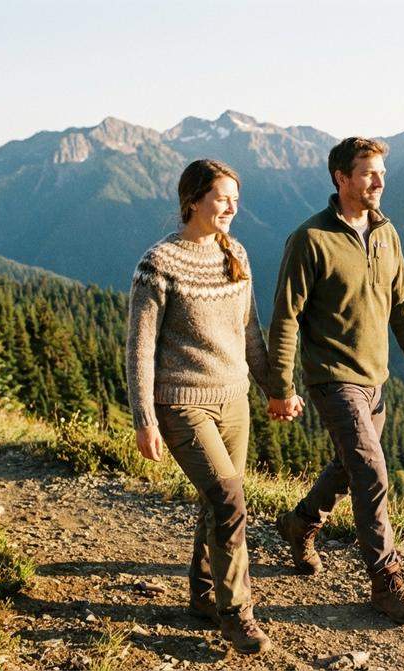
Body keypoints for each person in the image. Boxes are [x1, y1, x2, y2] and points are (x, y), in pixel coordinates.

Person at [126, 159, 296, 654]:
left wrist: (274, 388)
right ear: (193, 200)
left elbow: (249, 334)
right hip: (182, 404)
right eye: (222, 198)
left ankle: (203, 596)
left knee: (216, 504)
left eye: (235, 200)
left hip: (234, 401)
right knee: (229, 502)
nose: (231, 208)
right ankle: (237, 612)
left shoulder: (235, 253)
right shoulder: (158, 264)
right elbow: (139, 348)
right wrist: (145, 418)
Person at [267, 137, 404, 624]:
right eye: (368, 172)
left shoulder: (387, 233)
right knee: (371, 472)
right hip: (332, 379)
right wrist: (281, 387)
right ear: (341, 178)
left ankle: (300, 523)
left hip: (374, 379)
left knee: (348, 467)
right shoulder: (310, 239)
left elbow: (403, 303)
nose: (379, 181)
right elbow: (285, 318)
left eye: (381, 171)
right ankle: (386, 582)